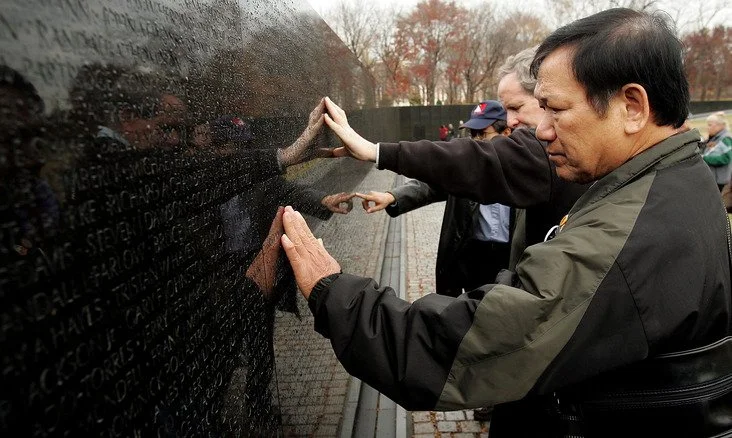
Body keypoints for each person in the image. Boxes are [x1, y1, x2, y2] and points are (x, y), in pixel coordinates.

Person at [281, 8, 732, 437]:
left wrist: (332, 291)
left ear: (632, 106)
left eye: (555, 109)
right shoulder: (676, 178)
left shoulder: (633, 234)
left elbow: (471, 347)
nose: (541, 130)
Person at [356, 100, 514, 297]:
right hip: (473, 254)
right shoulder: (465, 166)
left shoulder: (523, 171)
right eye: (473, 135)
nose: (476, 141)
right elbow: (431, 184)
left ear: (506, 133)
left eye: (483, 134)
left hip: (509, 258)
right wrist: (392, 196)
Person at [702, 111, 732, 191]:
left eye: (710, 125)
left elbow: (726, 158)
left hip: (719, 180)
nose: (707, 127)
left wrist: (704, 158)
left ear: (720, 125)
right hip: (713, 178)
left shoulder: (726, 139)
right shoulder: (715, 138)